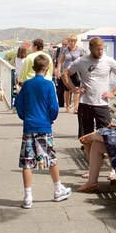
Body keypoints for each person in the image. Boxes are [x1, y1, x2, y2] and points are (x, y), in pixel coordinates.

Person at [14, 54, 72, 209]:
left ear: (33, 68)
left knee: (27, 162)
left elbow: (19, 104)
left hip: (29, 126)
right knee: (51, 159)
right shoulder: (49, 85)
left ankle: (28, 197)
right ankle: (58, 189)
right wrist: (50, 119)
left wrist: (24, 117)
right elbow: (53, 107)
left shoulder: (27, 85)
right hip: (44, 126)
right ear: (47, 69)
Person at [62, 36, 116, 142]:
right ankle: (88, 152)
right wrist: (73, 89)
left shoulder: (108, 60)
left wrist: (114, 92)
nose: (100, 52)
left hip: (102, 104)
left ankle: (100, 151)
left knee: (106, 136)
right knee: (85, 138)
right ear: (91, 49)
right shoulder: (81, 61)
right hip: (85, 103)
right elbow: (65, 74)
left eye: (102, 49)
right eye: (97, 49)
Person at [56, 35, 84, 113]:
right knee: (67, 89)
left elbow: (84, 60)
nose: (70, 43)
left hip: (76, 72)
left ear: (75, 42)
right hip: (66, 72)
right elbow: (60, 61)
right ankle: (67, 106)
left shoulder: (80, 50)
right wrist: (58, 70)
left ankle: (76, 107)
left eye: (72, 41)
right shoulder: (65, 50)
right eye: (69, 41)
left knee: (77, 88)